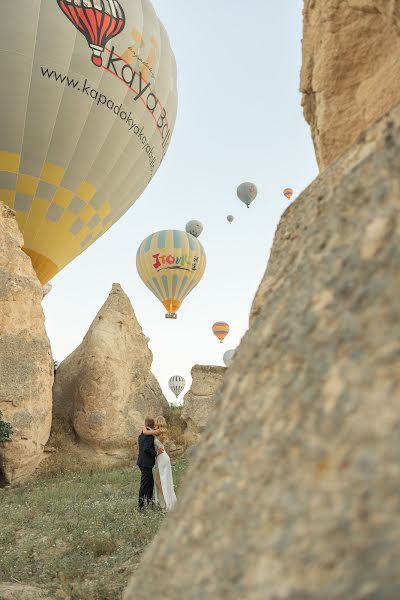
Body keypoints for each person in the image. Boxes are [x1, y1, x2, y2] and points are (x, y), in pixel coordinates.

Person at [141, 415, 177, 511]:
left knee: (161, 482)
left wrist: (143, 426)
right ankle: (166, 503)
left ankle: (168, 503)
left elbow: (145, 432)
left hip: (162, 458)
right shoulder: (159, 432)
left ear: (158, 422)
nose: (155, 424)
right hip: (161, 458)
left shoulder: (158, 432)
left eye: (156, 422)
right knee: (159, 482)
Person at [137, 417, 164, 512]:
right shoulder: (148, 435)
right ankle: (141, 507)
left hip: (143, 463)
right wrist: (156, 452)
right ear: (152, 426)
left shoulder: (142, 433)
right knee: (144, 485)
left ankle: (149, 502)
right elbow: (146, 449)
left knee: (150, 483)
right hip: (145, 464)